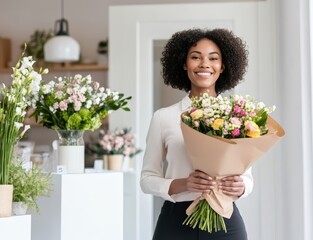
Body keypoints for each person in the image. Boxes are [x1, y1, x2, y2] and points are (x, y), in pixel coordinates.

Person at [140, 28, 253, 240]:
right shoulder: (164, 117)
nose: (204, 64)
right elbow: (147, 179)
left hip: (225, 221)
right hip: (176, 221)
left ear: (223, 66)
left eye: (213, 58)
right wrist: (183, 184)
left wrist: (241, 187)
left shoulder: (238, 117)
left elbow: (247, 178)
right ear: (184, 64)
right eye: (195, 57)